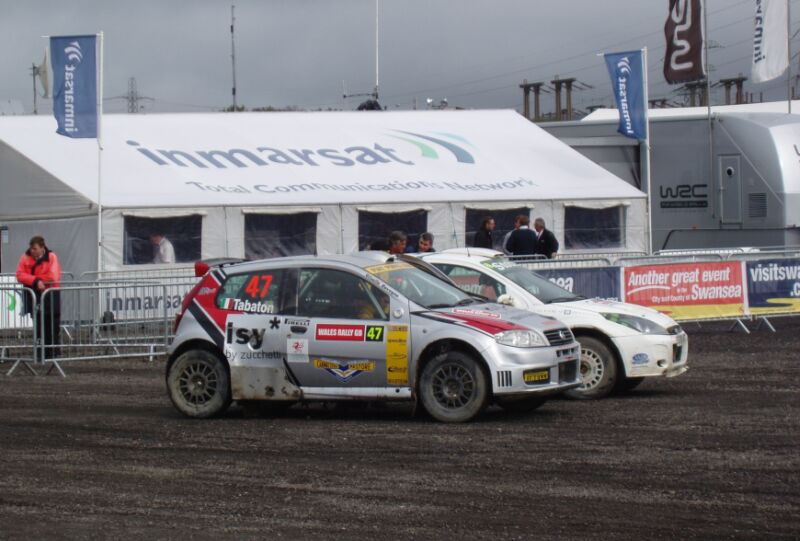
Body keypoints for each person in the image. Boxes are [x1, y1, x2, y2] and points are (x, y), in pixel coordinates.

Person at [16, 236, 62, 359]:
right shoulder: (25, 258)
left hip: (51, 294)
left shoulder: (51, 257)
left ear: (42, 248)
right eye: (31, 248)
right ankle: (41, 353)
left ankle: (53, 352)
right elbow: (19, 275)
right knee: (38, 324)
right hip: (35, 295)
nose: (32, 251)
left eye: (35, 249)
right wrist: (36, 281)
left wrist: (34, 279)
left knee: (53, 323)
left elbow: (53, 276)